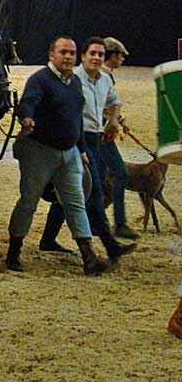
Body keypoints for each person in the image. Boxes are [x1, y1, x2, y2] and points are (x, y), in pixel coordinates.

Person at [6, 36, 111, 276]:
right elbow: (28, 103)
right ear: (51, 55)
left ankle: (89, 257)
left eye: (72, 53)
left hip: (70, 153)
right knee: (29, 202)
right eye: (63, 52)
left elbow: (77, 119)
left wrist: (81, 149)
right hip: (39, 150)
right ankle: (13, 251)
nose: (68, 57)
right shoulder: (40, 80)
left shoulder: (75, 83)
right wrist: (27, 118)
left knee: (76, 203)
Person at [38, 37, 137, 263]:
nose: (96, 58)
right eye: (92, 53)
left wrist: (114, 120)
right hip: (77, 140)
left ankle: (48, 238)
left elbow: (114, 101)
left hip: (98, 139)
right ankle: (110, 244)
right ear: (83, 56)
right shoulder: (73, 80)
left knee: (72, 190)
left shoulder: (105, 79)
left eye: (100, 54)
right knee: (94, 191)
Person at [100, 37, 139, 239]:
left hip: (101, 127)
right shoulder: (103, 75)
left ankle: (98, 219)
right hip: (101, 131)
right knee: (120, 173)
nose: (123, 60)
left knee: (100, 177)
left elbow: (107, 103)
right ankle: (120, 222)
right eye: (121, 56)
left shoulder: (103, 75)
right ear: (113, 55)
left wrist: (120, 119)